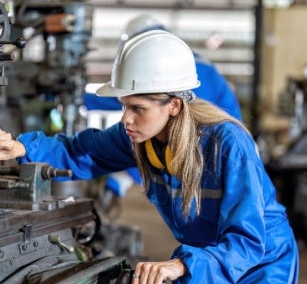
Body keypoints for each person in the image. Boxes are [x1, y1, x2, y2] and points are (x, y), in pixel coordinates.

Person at [0, 30, 299, 284]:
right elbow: (80, 151)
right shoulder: (138, 138)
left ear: (173, 105)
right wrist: (22, 148)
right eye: (124, 107)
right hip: (200, 268)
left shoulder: (226, 144)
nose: (126, 119)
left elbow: (247, 240)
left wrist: (180, 265)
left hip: (257, 269)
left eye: (137, 109)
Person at [85, 13, 243, 199]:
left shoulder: (187, 72)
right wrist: (81, 98)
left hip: (219, 158)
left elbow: (191, 122)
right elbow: (132, 99)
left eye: (137, 109)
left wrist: (124, 177)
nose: (126, 118)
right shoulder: (160, 80)